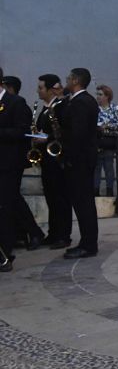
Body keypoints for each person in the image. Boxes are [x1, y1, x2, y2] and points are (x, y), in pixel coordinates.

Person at [58, 68, 100, 259]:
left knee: (83, 204)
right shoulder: (79, 100)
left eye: (68, 78)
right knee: (82, 203)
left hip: (79, 160)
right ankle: (87, 242)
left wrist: (68, 157)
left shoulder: (82, 102)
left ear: (75, 80)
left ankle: (88, 244)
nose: (66, 80)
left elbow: (78, 134)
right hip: (80, 159)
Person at [0, 65, 33, 271]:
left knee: (5, 208)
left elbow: (22, 132)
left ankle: (5, 253)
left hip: (7, 165)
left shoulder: (15, 102)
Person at [36, 74, 72, 248]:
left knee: (60, 198)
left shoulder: (61, 106)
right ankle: (53, 232)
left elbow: (65, 131)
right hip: (46, 159)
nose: (38, 90)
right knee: (51, 197)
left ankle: (64, 235)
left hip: (57, 159)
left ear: (50, 89)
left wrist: (47, 137)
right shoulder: (44, 108)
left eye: (41, 87)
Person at [94, 84, 118, 197]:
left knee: (109, 167)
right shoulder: (95, 109)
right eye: (97, 94)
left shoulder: (115, 108)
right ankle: (95, 190)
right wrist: (100, 126)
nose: (98, 97)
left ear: (107, 96)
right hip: (97, 140)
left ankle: (109, 190)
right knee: (97, 167)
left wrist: (107, 126)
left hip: (109, 141)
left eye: (100, 95)